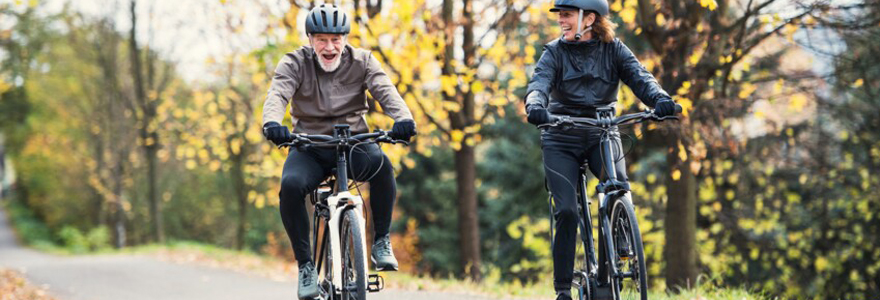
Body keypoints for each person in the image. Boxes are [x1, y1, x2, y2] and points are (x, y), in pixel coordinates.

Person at [260, 3, 417, 299]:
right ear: (310, 40)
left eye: (335, 39)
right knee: (291, 186)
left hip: (354, 142)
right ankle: (306, 266)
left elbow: (385, 90)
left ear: (345, 39)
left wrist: (404, 119)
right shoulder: (294, 63)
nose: (329, 47)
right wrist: (272, 123)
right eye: (321, 39)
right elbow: (278, 93)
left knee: (382, 166)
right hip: (310, 146)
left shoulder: (363, 60)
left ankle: (381, 241)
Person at [524, 0, 677, 299]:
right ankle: (563, 289)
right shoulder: (554, 52)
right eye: (561, 16)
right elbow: (539, 84)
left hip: (602, 132)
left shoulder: (615, 49)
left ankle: (618, 249)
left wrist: (660, 99)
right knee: (567, 210)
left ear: (589, 18)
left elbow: (640, 77)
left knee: (617, 187)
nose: (561, 21)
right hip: (561, 135)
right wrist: (535, 105)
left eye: (567, 15)